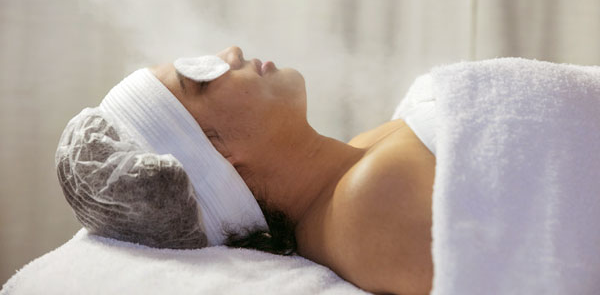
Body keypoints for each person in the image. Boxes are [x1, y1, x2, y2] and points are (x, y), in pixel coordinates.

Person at [56, 45, 435, 295]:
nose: (232, 53)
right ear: (218, 154)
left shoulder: (359, 161)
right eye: (200, 82)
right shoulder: (372, 204)